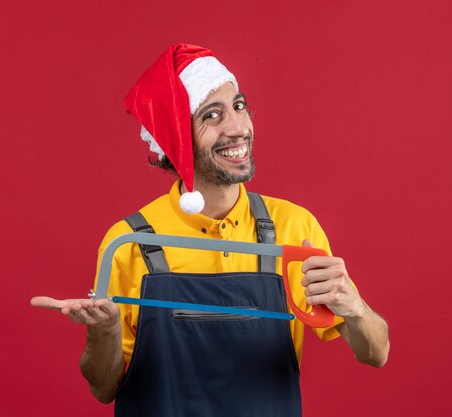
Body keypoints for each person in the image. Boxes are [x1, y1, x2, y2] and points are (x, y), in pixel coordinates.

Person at [31, 44, 389, 417]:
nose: (238, 127)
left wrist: (355, 307)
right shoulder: (131, 243)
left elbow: (377, 353)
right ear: (177, 140)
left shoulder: (294, 228)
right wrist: (102, 330)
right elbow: (103, 388)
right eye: (212, 115)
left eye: (238, 106)